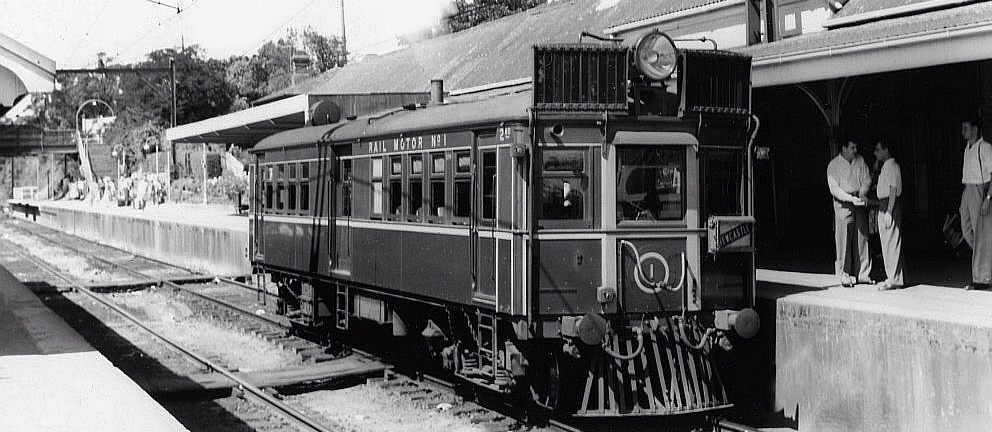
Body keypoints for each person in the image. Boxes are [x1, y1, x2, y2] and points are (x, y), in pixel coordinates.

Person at [827, 140, 873, 287]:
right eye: (852, 147)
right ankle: (844, 274)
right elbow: (834, 188)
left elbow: (867, 178)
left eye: (856, 147)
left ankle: (863, 274)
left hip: (858, 199)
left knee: (862, 237)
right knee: (843, 238)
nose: (855, 150)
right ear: (844, 148)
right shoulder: (834, 165)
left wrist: (862, 192)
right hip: (843, 202)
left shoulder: (860, 161)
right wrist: (849, 198)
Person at [959, 118, 992, 290]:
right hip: (968, 190)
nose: (962, 131)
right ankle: (984, 267)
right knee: (967, 230)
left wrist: (987, 198)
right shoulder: (967, 149)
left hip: (980, 190)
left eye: (966, 128)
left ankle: (981, 278)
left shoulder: (985, 147)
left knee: (981, 235)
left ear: (975, 129)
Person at [873, 141, 904, 290]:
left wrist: (889, 212)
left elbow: (893, 189)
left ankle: (895, 278)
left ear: (886, 150)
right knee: (887, 242)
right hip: (884, 204)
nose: (876, 153)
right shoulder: (885, 166)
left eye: (878, 150)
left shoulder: (892, 166)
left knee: (892, 241)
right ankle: (892, 276)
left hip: (889, 204)